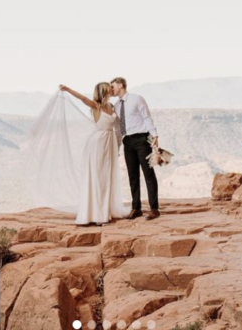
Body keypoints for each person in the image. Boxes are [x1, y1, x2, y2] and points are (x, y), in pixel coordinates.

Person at [21, 81, 126, 225]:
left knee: (107, 177)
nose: (111, 90)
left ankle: (105, 210)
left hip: (110, 142)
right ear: (104, 91)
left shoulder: (112, 106)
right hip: (98, 142)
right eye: (109, 89)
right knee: (97, 177)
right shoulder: (97, 106)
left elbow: (119, 126)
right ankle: (95, 213)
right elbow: (82, 99)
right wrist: (68, 89)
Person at [110, 77, 160, 220]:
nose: (111, 89)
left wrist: (155, 135)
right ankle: (136, 208)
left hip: (142, 139)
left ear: (120, 85)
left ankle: (154, 209)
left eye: (112, 86)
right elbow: (119, 128)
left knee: (148, 173)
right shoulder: (116, 105)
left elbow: (147, 117)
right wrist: (118, 146)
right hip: (128, 141)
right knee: (133, 176)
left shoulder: (137, 99)